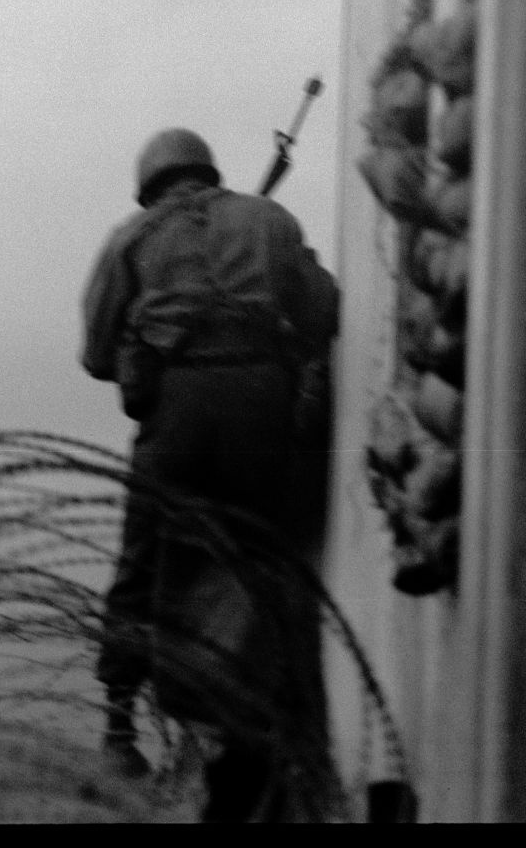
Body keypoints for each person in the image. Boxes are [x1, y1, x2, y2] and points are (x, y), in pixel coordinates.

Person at [80, 127, 339, 821]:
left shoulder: (130, 238)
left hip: (181, 411)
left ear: (151, 184)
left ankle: (119, 721)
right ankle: (271, 720)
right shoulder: (270, 219)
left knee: (146, 549)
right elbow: (322, 308)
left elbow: (97, 355)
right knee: (265, 557)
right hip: (264, 403)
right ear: (207, 170)